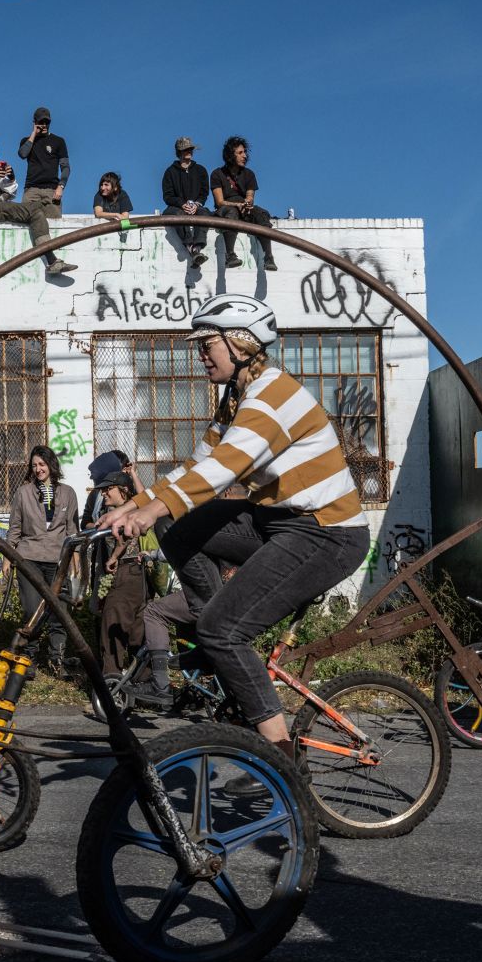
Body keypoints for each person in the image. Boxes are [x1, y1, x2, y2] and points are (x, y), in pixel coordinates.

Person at [100, 293, 370, 766]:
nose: (200, 355)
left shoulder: (273, 396)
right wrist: (139, 505)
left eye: (208, 345)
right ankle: (214, 636)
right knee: (177, 525)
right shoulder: (237, 397)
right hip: (278, 522)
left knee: (222, 629)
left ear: (242, 343)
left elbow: (225, 469)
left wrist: (149, 509)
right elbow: (198, 464)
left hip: (327, 532)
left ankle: (278, 757)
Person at [6, 443, 80, 671]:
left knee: (59, 610)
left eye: (42, 464)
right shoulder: (23, 492)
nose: (38, 469)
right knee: (32, 609)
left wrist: (76, 559)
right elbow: (15, 529)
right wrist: (7, 557)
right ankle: (28, 658)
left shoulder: (67, 492)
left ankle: (56, 658)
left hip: (59, 561)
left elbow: (72, 531)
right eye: (34, 465)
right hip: (29, 558)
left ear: (51, 464)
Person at [0, 132, 76, 275]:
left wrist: (11, 178)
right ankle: (52, 261)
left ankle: (52, 260)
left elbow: (11, 193)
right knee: (34, 212)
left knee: (40, 209)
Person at [92, 471, 155, 680]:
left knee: (112, 631)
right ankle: (143, 685)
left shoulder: (125, 515)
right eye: (102, 489)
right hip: (139, 577)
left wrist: (114, 557)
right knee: (138, 632)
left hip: (125, 573)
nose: (103, 494)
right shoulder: (135, 512)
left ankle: (111, 686)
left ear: (124, 491)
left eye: (108, 489)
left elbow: (125, 538)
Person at [210, 136, 277, 271]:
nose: (244, 156)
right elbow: (219, 202)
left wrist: (247, 203)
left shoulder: (249, 174)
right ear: (230, 155)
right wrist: (236, 205)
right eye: (240, 153)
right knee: (231, 212)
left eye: (245, 152)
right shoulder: (217, 174)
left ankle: (268, 257)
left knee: (261, 214)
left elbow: (250, 196)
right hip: (226, 208)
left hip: (243, 208)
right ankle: (230, 255)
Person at [160, 136, 213, 269]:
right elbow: (167, 196)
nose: (189, 151)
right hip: (176, 207)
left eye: (190, 149)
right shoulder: (170, 172)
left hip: (197, 207)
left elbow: (204, 192)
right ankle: (190, 246)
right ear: (179, 152)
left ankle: (197, 249)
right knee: (176, 214)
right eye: (185, 149)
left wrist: (196, 204)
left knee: (205, 213)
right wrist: (182, 204)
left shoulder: (201, 170)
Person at [16, 106, 69, 218]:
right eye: (41, 121)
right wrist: (34, 134)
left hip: (51, 191)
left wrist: (61, 186)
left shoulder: (59, 141)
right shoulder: (26, 141)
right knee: (26, 222)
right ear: (34, 122)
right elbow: (22, 154)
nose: (44, 125)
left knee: (55, 225)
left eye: (47, 122)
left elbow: (65, 167)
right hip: (31, 190)